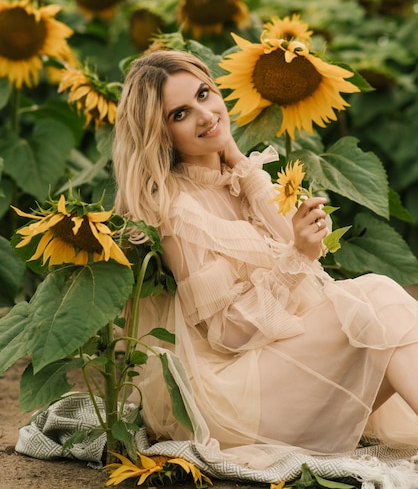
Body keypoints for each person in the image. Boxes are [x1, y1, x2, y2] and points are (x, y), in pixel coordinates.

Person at [112, 49, 418, 470]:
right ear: (158, 133)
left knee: (382, 322)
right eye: (180, 113)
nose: (205, 115)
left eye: (205, 94)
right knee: (378, 294)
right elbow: (228, 335)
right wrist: (297, 256)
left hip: (278, 376)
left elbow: (309, 292)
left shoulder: (239, 181)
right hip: (236, 405)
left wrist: (239, 162)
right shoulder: (176, 210)